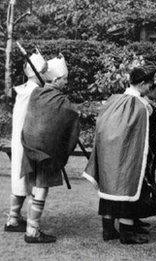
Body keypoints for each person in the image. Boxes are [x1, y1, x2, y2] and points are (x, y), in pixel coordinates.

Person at [83, 66, 156, 245]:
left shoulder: (114, 100)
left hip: (109, 153)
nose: (150, 87)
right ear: (141, 84)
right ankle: (127, 233)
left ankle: (108, 229)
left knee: (109, 190)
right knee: (128, 186)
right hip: (127, 154)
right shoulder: (139, 105)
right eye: (149, 84)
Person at [4, 53, 80, 244]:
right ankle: (31, 230)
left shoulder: (34, 91)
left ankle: (17, 220)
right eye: (63, 79)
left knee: (26, 182)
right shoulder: (37, 93)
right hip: (37, 147)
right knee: (36, 185)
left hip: (27, 143)